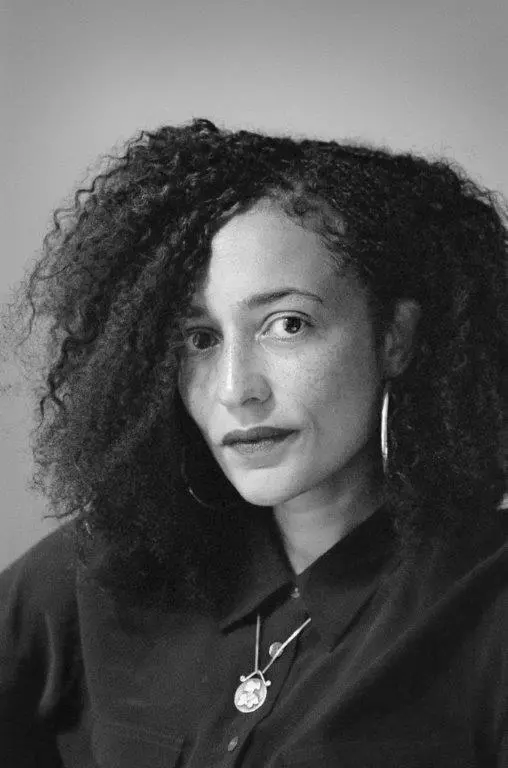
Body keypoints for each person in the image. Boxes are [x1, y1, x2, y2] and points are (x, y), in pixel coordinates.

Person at [0, 118, 507, 767]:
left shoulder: (488, 606)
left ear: (394, 338)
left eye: (287, 324)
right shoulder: (98, 569)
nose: (236, 389)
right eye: (200, 339)